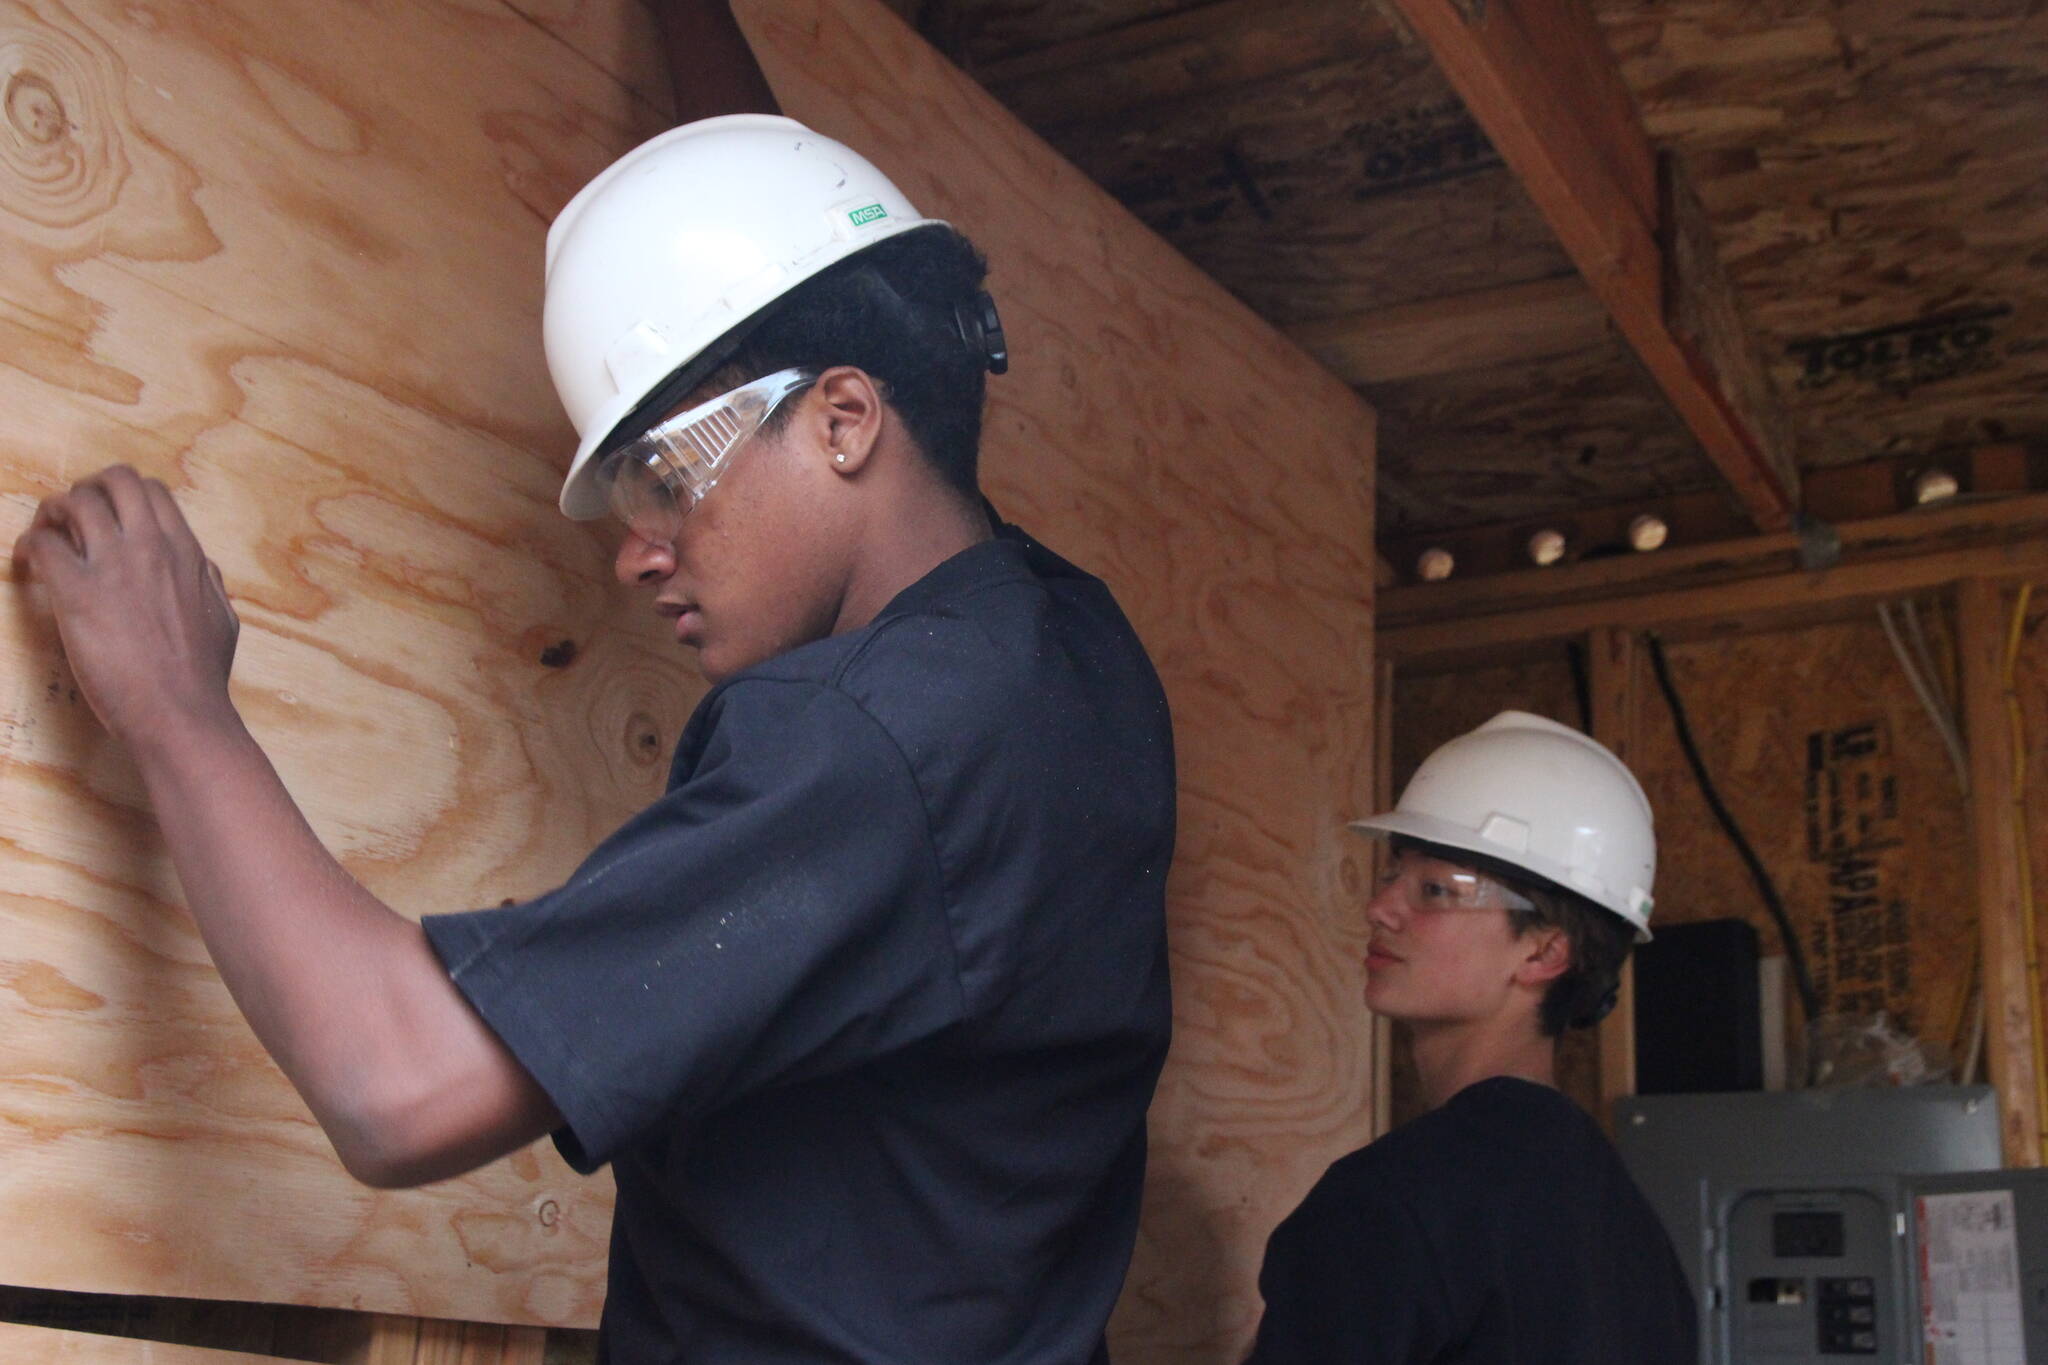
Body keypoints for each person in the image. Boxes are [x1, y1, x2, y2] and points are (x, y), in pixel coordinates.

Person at [13, 116, 1177, 1365]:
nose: (635, 552)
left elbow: (394, 1084)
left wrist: (178, 708)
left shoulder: (866, 740)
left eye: (666, 476)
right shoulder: (1073, 643)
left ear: (843, 420)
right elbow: (824, 273)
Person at [1244, 711, 1697, 1364]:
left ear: (1544, 952)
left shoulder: (1391, 1202)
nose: (1382, 906)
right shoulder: (1639, 1242)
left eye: (1434, 889)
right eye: (1393, 872)